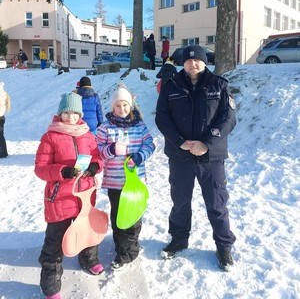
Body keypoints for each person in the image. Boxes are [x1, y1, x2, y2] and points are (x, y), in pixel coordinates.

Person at [155, 45, 236, 271]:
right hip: (180, 157)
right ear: (183, 63)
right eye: (189, 61)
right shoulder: (171, 86)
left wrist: (206, 143)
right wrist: (180, 142)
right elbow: (162, 118)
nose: (193, 64)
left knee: (217, 204)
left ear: (204, 62)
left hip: (211, 157)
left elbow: (228, 118)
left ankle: (224, 247)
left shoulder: (218, 85)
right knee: (180, 201)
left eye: (198, 60)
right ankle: (179, 239)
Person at [35, 92, 104, 299]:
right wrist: (62, 172)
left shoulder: (87, 134)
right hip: (60, 199)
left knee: (87, 231)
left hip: (85, 196)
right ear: (60, 113)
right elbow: (40, 168)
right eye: (67, 112)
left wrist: (94, 167)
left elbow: (97, 157)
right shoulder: (50, 137)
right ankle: (50, 284)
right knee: (55, 242)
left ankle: (89, 259)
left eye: (75, 113)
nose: (71, 117)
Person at [96, 84, 155, 270]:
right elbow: (97, 151)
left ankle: (128, 252)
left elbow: (150, 145)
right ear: (112, 107)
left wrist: (140, 156)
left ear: (131, 106)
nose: (122, 109)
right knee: (118, 216)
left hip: (135, 182)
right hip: (115, 182)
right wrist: (110, 149)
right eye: (117, 106)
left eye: (125, 105)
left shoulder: (139, 126)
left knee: (133, 217)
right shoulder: (105, 128)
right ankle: (121, 246)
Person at [0, 82, 10, 158]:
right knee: (1, 135)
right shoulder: (4, 93)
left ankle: (3, 153)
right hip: (2, 116)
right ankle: (4, 152)